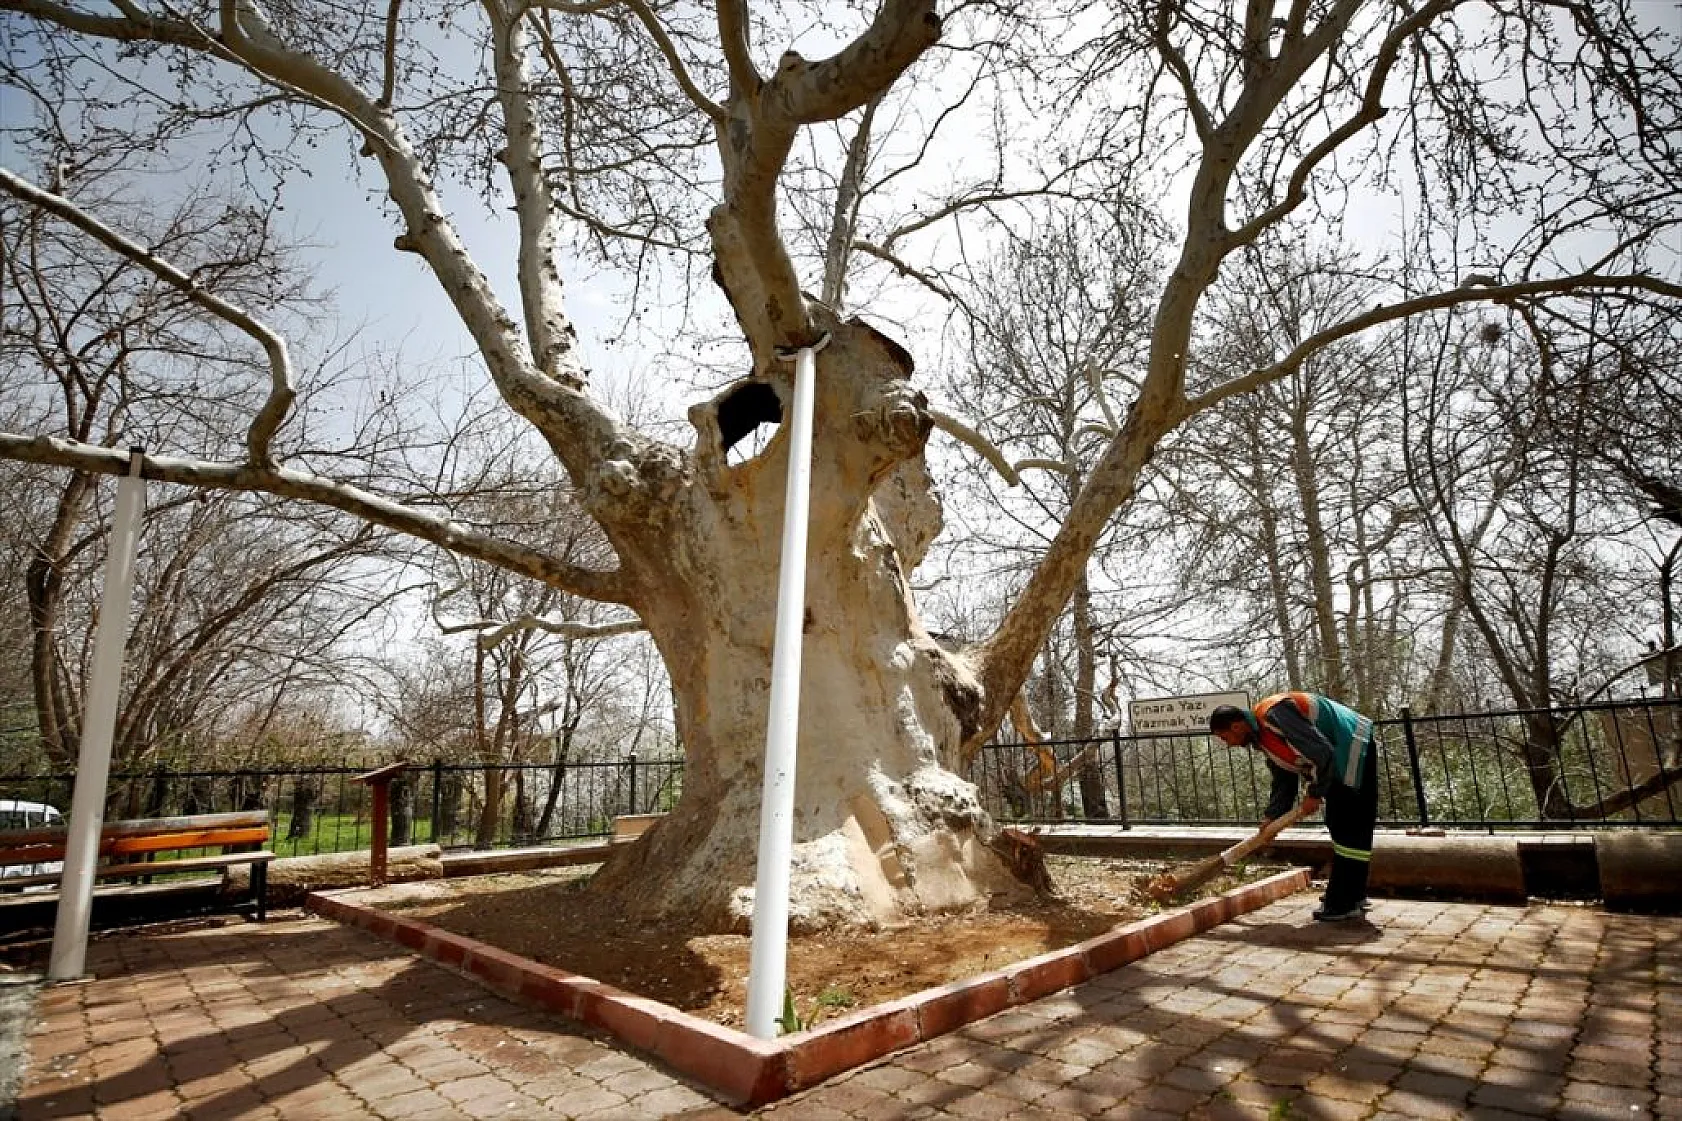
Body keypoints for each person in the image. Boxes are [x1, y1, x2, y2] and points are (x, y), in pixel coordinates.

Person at [1208, 692, 1380, 922]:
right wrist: (1273, 816)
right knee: (1347, 825)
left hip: (1353, 745)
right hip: (1344, 748)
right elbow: (1284, 777)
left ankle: (1343, 902)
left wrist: (1315, 793)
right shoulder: (1263, 738)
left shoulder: (1274, 716)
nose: (1227, 744)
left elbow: (1322, 752)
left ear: (1237, 726)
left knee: (1345, 823)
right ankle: (1352, 895)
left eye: (1224, 736)